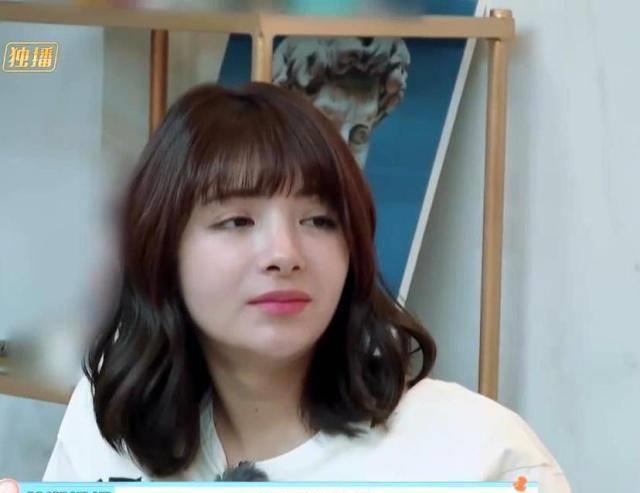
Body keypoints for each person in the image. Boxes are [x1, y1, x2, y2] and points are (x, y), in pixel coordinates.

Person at [43, 82, 571, 491]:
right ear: (163, 248)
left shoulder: (479, 454)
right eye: (237, 221)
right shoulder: (112, 415)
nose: (284, 254)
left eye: (319, 220)